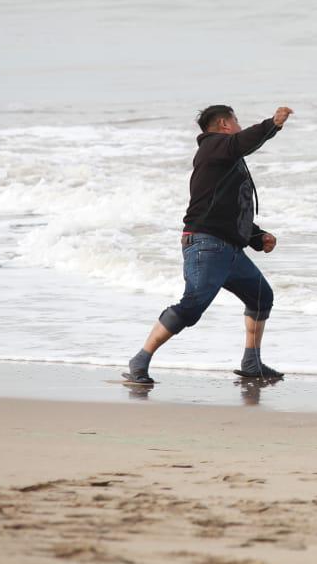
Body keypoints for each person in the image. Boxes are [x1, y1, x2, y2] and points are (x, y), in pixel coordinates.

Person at [123, 103, 294, 385]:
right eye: (236, 121)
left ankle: (251, 362)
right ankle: (140, 360)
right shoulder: (214, 146)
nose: (239, 126)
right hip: (206, 245)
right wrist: (272, 124)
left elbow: (228, 209)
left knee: (261, 296)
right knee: (192, 306)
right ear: (225, 125)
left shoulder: (224, 158)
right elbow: (243, 141)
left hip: (228, 249)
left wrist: (256, 236)